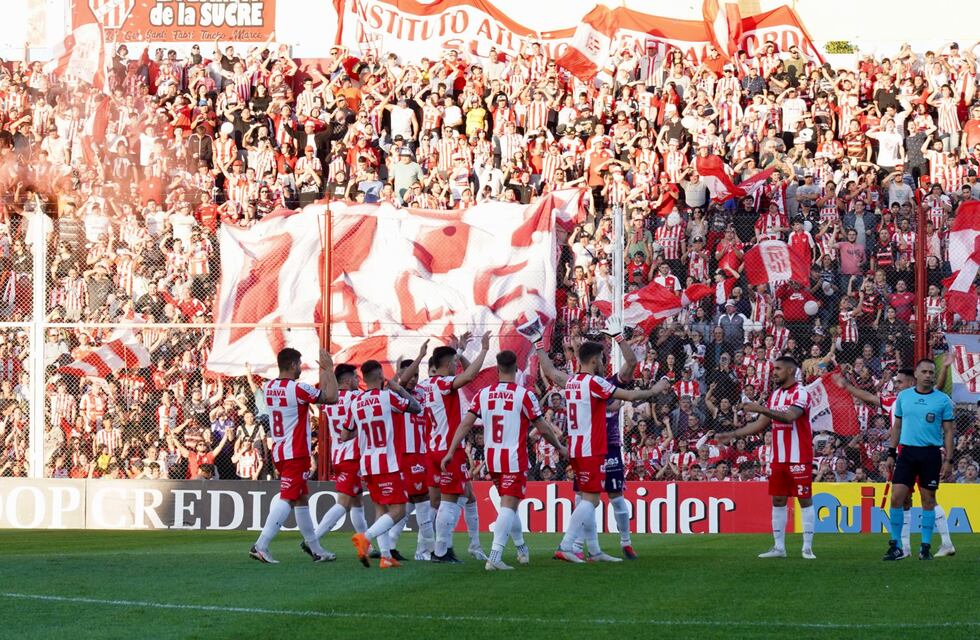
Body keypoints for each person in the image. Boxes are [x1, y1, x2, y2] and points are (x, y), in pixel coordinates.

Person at [540, 339, 667, 563]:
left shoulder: (571, 382)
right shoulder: (594, 383)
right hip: (592, 448)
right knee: (591, 500)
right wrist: (655, 389)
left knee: (589, 499)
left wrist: (538, 344)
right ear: (593, 360)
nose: (602, 363)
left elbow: (549, 370)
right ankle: (567, 545)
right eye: (600, 359)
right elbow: (630, 397)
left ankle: (595, 550)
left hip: (576, 447)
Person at [442, 350, 566, 570]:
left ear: (497, 369)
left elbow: (466, 424)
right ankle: (495, 556)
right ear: (517, 369)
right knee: (508, 507)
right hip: (513, 459)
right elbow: (543, 428)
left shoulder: (483, 394)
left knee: (510, 506)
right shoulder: (524, 395)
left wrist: (451, 450)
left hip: (493, 459)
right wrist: (559, 447)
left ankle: (521, 549)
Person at [833, 368, 955, 558]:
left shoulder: (926, 397)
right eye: (895, 382)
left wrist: (945, 368)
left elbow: (937, 388)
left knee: (928, 499)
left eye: (899, 382)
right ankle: (904, 547)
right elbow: (868, 396)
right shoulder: (895, 401)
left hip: (925, 452)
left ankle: (945, 542)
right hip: (903, 455)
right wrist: (847, 386)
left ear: (910, 383)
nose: (895, 385)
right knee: (903, 500)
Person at [717, 356, 816, 560]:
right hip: (778, 457)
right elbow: (761, 424)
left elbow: (790, 416)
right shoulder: (775, 395)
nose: (775, 372)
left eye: (778, 369)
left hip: (799, 456)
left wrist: (759, 408)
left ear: (790, 371)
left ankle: (807, 548)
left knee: (804, 500)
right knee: (778, 500)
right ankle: (779, 547)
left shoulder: (802, 393)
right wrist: (734, 435)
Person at [249, 347, 338, 564]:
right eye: (299, 364)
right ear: (291, 365)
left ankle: (316, 549)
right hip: (295, 451)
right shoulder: (297, 390)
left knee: (300, 499)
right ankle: (261, 545)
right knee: (289, 497)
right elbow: (332, 398)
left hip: (279, 449)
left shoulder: (268, 387)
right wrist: (329, 370)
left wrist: (324, 373)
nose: (300, 367)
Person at [344, 360, 422, 568]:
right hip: (387, 462)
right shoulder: (388, 398)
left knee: (381, 507)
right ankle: (365, 537)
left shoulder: (355, 402)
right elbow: (417, 408)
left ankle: (386, 556)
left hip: (367, 463)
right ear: (380, 377)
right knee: (399, 509)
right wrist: (399, 389)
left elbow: (345, 434)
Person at [881, 359, 955, 561]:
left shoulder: (942, 400)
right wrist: (891, 453)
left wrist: (949, 460)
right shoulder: (904, 397)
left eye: (932, 372)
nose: (929, 375)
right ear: (916, 374)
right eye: (925, 372)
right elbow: (896, 426)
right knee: (896, 497)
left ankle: (925, 547)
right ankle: (896, 545)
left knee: (928, 500)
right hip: (907, 454)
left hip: (930, 454)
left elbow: (949, 431)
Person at [427, 333, 491, 564]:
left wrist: (460, 351)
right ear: (446, 365)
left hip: (433, 448)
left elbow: (464, 374)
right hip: (448, 450)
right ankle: (441, 551)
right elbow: (470, 375)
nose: (457, 365)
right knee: (448, 501)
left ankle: (468, 545)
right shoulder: (444, 384)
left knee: (467, 495)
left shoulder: (428, 385)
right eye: (454, 362)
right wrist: (484, 349)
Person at [312, 363, 368, 553]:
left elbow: (319, 404)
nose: (357, 381)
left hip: (337, 456)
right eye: (355, 377)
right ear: (346, 380)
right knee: (343, 503)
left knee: (357, 502)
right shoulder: (356, 398)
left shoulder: (331, 400)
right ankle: (313, 540)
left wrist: (327, 374)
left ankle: (366, 547)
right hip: (352, 456)